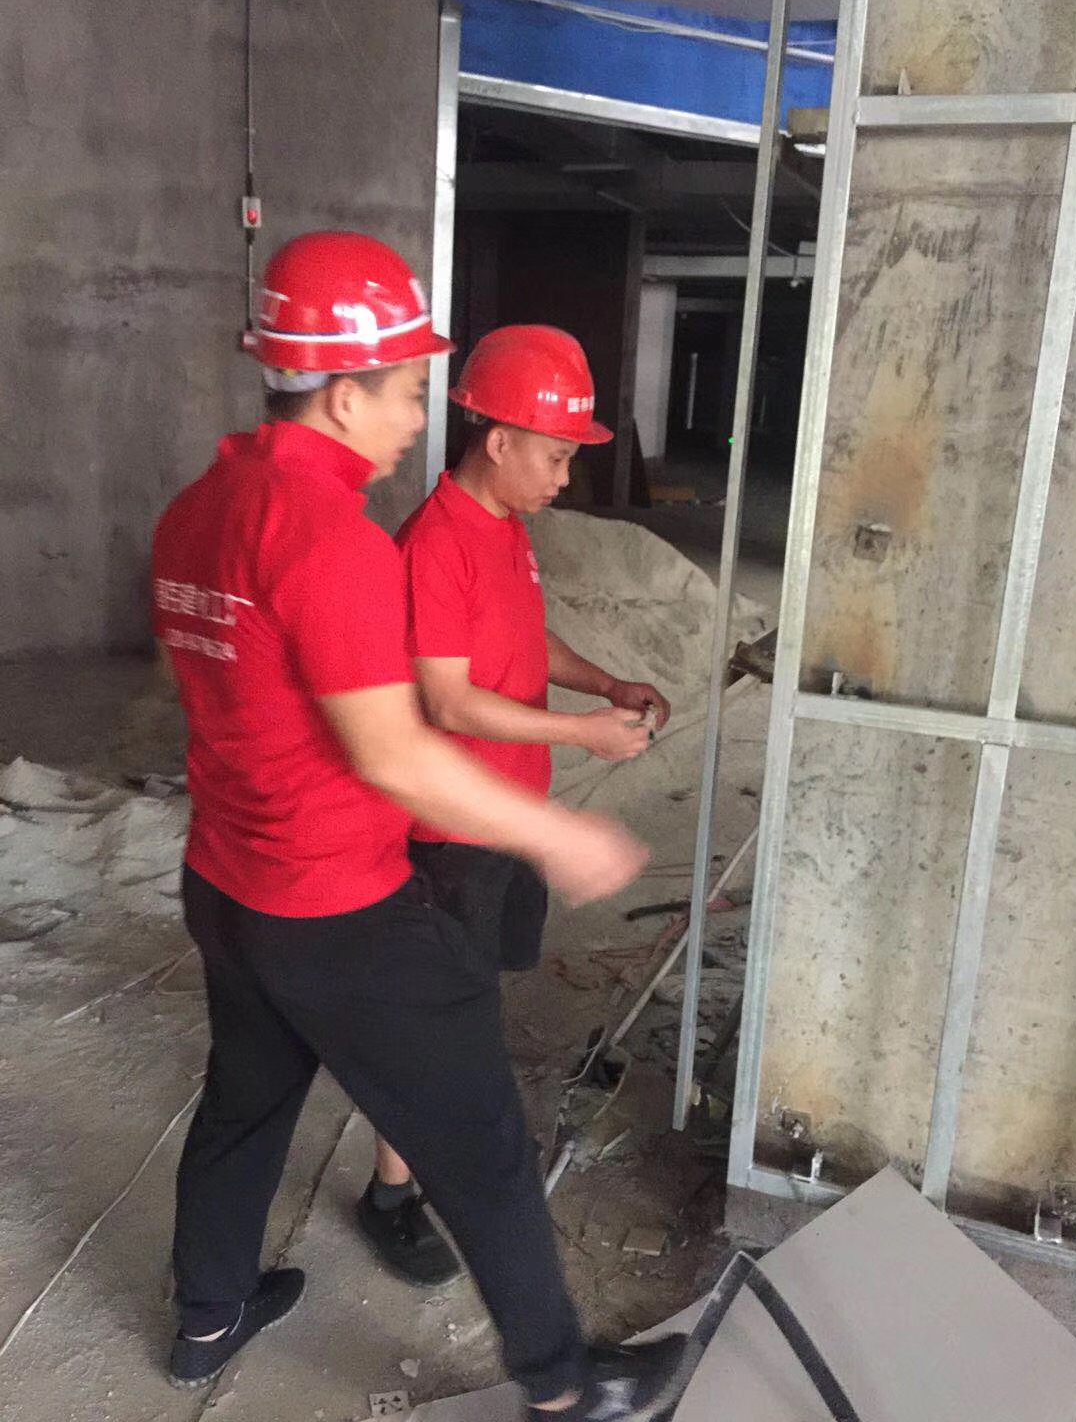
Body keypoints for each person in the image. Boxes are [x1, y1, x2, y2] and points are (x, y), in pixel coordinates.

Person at [152, 231, 683, 1420]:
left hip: (225, 881)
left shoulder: (198, 509)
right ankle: (568, 1385)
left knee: (245, 1102)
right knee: (481, 1136)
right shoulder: (330, 539)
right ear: (343, 394)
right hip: (336, 904)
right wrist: (556, 834)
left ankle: (209, 1315)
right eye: (403, 392)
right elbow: (396, 750)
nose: (413, 419)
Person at [356, 326, 671, 1289]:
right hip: (450, 833)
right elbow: (448, 701)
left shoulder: (503, 527)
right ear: (498, 441)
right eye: (556, 455)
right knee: (428, 1022)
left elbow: (527, 643)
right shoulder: (436, 542)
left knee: (468, 1008)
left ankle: (442, 1156)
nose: (565, 477)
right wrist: (582, 734)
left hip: (503, 819)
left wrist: (605, 683)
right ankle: (391, 1195)